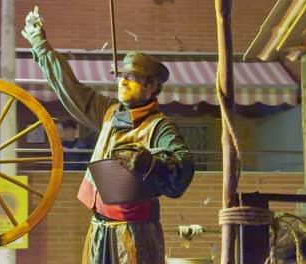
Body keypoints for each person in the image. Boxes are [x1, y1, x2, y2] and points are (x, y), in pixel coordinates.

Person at [22, 7, 195, 264]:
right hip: (99, 228)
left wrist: (152, 163)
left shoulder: (160, 127)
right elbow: (70, 88)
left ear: (151, 88)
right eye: (122, 75)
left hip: (135, 233)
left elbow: (184, 165)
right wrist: (41, 46)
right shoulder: (109, 112)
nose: (123, 81)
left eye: (133, 77)